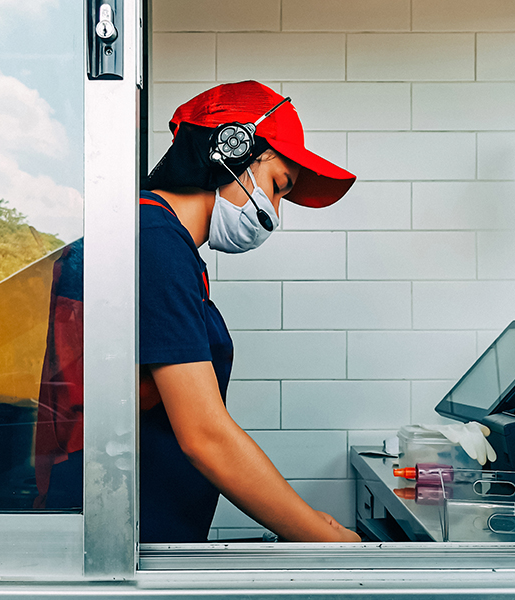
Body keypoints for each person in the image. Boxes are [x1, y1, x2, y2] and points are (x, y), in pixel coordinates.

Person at [35, 81, 361, 543]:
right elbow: (204, 436)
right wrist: (327, 541)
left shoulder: (156, 237)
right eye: (277, 187)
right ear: (231, 148)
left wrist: (308, 518)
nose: (274, 212)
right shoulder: (153, 242)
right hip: (125, 532)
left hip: (139, 526)